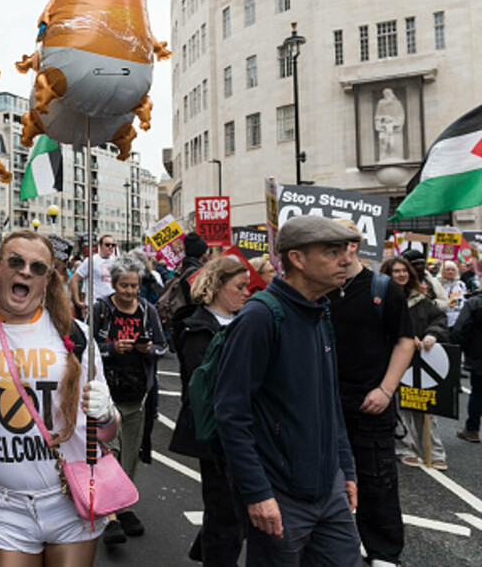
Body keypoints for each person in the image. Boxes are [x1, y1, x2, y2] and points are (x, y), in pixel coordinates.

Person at [0, 230, 120, 566]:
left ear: (48, 279)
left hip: (71, 502)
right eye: (15, 261)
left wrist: (107, 415)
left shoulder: (76, 335)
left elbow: (106, 432)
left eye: (38, 268)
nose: (25, 271)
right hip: (7, 509)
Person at [214, 215, 362, 566]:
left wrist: (346, 469)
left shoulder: (321, 313)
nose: (346, 259)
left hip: (329, 489)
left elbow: (330, 404)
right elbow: (231, 414)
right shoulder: (260, 318)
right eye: (332, 252)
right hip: (280, 496)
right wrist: (258, 493)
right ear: (297, 259)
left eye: (346, 251)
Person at [328, 222, 415, 567]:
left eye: (339, 245)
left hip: (372, 403)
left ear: (355, 245)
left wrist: (385, 389)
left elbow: (404, 340)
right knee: (326, 477)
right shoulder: (318, 288)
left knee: (377, 477)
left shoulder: (384, 288)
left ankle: (382, 552)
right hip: (327, 403)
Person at [169, 256, 251, 566]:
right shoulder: (197, 329)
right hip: (216, 432)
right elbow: (205, 387)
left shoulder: (244, 319)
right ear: (217, 287)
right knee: (226, 513)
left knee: (234, 510)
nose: (246, 293)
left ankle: (207, 550)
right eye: (239, 287)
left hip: (242, 429)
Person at [92, 253, 166, 545]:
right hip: (106, 396)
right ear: (114, 283)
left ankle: (121, 505)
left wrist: (147, 349)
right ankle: (109, 516)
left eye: (134, 286)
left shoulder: (148, 311)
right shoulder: (101, 309)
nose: (130, 292)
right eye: (124, 286)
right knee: (107, 451)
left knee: (130, 454)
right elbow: (86, 347)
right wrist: (112, 348)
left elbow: (162, 345)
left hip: (137, 395)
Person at [382, 256, 450, 470]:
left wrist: (431, 335)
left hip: (422, 361)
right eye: (396, 271)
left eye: (404, 270)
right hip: (394, 360)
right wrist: (406, 339)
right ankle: (405, 449)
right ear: (388, 275)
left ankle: (434, 451)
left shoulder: (422, 299)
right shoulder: (382, 299)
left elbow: (439, 319)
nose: (401, 274)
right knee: (402, 407)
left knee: (426, 406)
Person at [452, 291, 482, 443]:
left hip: (478, 355)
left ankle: (472, 429)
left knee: (478, 392)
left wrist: (461, 348)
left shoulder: (474, 302)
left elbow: (460, 329)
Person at [69, 233, 117, 316]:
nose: (110, 247)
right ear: (100, 246)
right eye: (107, 244)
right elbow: (74, 279)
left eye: (113, 245)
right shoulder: (91, 260)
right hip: (95, 306)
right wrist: (77, 301)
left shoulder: (116, 261)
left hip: (112, 306)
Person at [440, 261, 468, 328]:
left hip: (457, 319)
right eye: (448, 270)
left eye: (453, 270)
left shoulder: (461, 284)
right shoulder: (438, 284)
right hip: (442, 318)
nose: (450, 272)